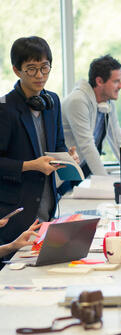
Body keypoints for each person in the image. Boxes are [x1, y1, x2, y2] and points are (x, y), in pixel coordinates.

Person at [0, 36, 78, 246]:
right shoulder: (4, 108)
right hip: (15, 214)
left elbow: (58, 145)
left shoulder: (51, 101)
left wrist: (67, 157)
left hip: (47, 205)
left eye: (45, 68)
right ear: (17, 70)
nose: (40, 75)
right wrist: (31, 166)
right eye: (31, 69)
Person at [61, 54, 121, 193]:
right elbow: (87, 146)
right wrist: (107, 186)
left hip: (83, 172)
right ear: (100, 81)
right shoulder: (77, 101)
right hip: (64, 178)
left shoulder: (108, 103)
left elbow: (117, 140)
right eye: (116, 81)